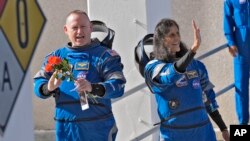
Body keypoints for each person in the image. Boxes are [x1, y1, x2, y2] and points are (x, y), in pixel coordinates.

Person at [33, 10, 126, 141]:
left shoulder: (105, 56)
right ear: (66, 30)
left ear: (91, 28)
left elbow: (119, 86)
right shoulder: (56, 57)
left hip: (98, 130)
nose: (79, 32)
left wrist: (92, 88)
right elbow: (38, 83)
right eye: (74, 27)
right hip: (65, 130)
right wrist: (47, 88)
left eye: (83, 27)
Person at [142, 18, 230, 141]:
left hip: (204, 133)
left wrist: (223, 128)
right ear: (162, 39)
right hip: (174, 135)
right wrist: (192, 50)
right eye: (171, 35)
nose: (176, 38)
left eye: (177, 33)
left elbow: (208, 98)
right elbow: (170, 76)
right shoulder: (153, 67)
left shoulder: (197, 66)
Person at [223, 0, 250, 125]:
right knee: (241, 88)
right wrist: (231, 42)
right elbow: (227, 21)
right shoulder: (230, 1)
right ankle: (242, 126)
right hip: (241, 49)